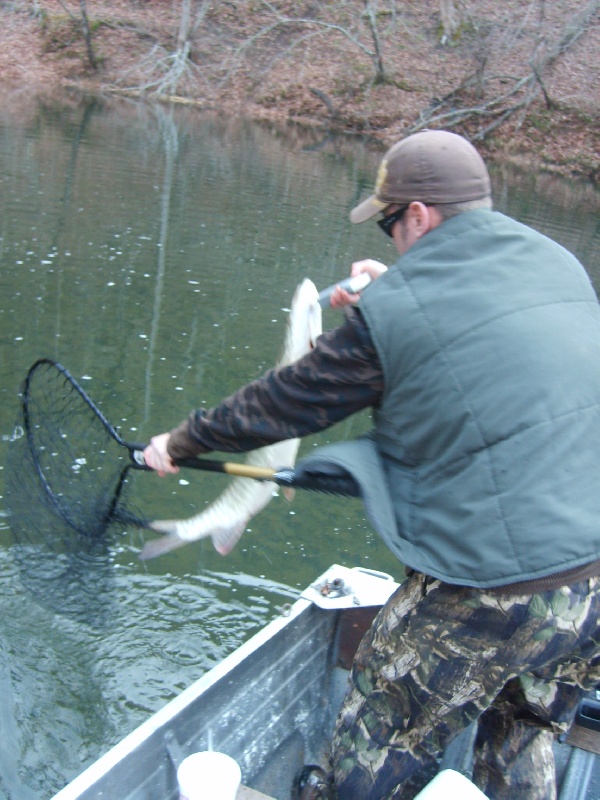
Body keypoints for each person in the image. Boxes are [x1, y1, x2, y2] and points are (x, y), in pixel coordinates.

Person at [144, 129, 600, 800]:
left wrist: (179, 443)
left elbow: (282, 404)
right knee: (522, 730)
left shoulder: (399, 309)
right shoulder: (555, 262)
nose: (390, 236)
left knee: (377, 735)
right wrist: (400, 293)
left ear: (417, 214)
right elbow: (491, 337)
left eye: (389, 221)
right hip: (592, 590)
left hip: (498, 585)